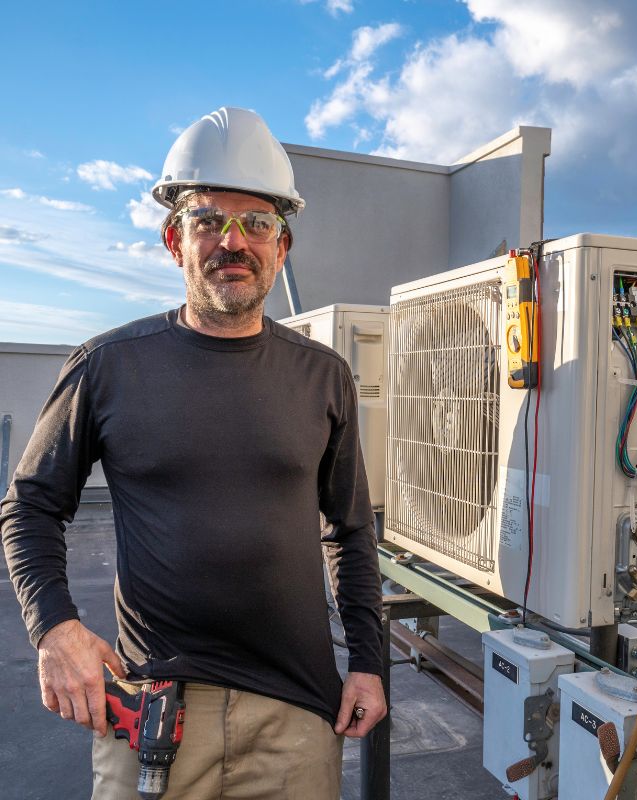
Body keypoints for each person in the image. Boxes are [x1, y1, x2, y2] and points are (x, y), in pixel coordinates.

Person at [1, 106, 386, 799]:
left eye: (257, 224)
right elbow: (30, 504)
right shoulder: (107, 366)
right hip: (152, 711)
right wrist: (54, 628)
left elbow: (352, 531)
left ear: (283, 246)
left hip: (297, 715)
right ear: (174, 240)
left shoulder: (324, 376)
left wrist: (368, 661)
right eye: (209, 220)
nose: (232, 242)